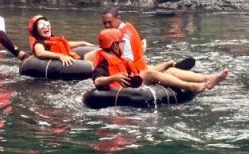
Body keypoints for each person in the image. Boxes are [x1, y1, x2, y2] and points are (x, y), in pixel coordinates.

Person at [100, 8, 229, 88]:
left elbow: (126, 60)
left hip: (136, 73)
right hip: (139, 68)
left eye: (109, 22)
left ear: (118, 18)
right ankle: (206, 77)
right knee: (168, 72)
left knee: (159, 73)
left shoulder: (121, 37)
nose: (107, 25)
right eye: (104, 23)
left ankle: (203, 80)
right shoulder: (127, 28)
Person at [91, 29, 228, 92]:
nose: (123, 45)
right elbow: (97, 81)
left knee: (171, 70)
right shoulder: (103, 63)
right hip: (121, 91)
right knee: (151, 74)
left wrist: (163, 66)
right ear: (114, 45)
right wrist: (113, 78)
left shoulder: (121, 60)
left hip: (132, 84)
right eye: (121, 43)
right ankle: (191, 87)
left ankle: (208, 79)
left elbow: (140, 73)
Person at [27, 15, 93, 66]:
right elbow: (40, 53)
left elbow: (67, 44)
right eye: (41, 26)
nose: (46, 27)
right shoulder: (38, 44)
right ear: (36, 31)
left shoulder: (52, 40)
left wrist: (83, 43)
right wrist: (60, 56)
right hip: (54, 64)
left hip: (67, 59)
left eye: (47, 24)